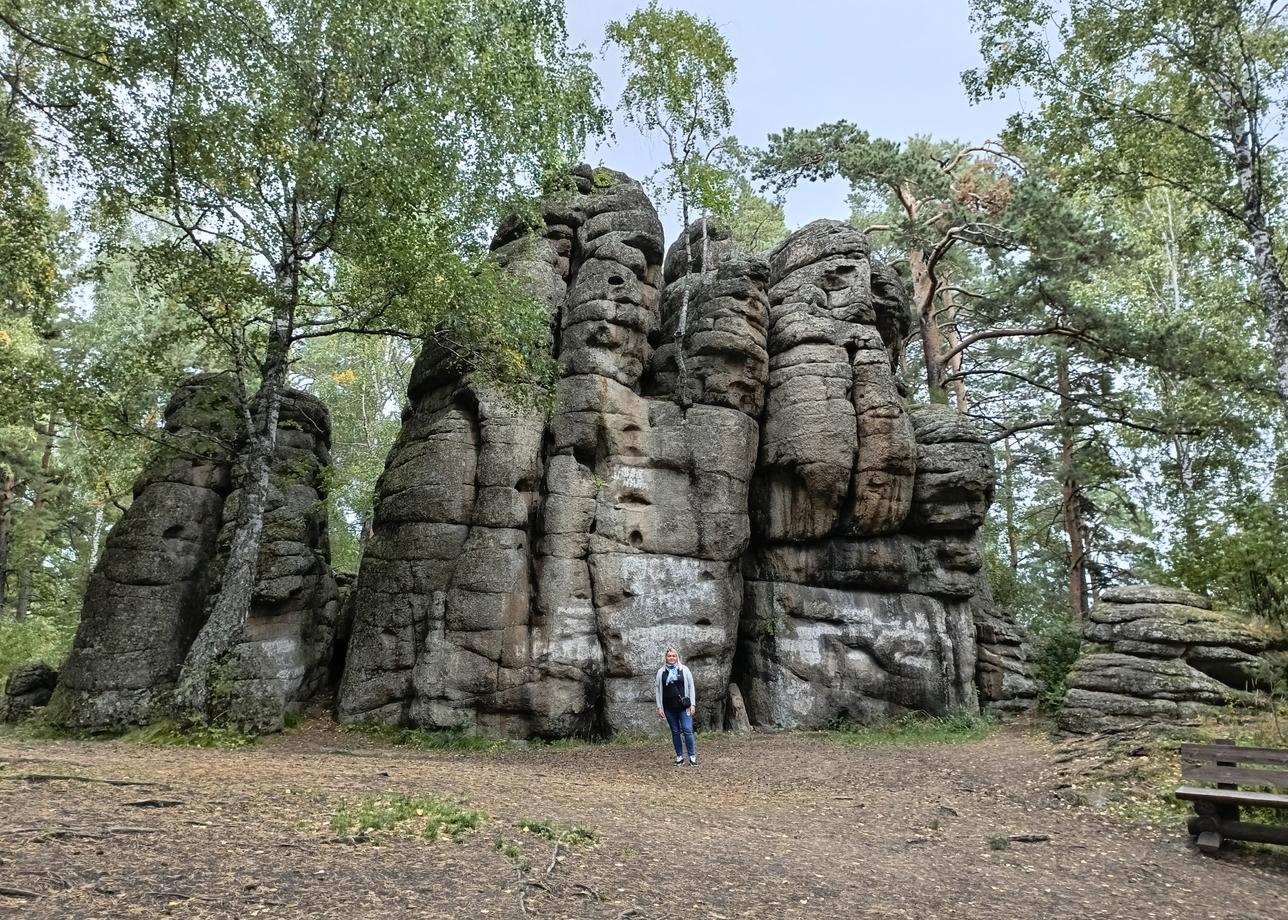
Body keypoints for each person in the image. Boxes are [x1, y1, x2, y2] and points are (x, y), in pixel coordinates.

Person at [655, 647, 697, 767]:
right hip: (669, 708)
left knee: (687, 730)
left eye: (674, 656)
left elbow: (691, 686)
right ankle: (679, 757)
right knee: (675, 732)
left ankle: (692, 756)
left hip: (684, 707)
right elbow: (658, 690)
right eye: (669, 656)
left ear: (677, 657)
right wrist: (659, 707)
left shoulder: (684, 670)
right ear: (666, 658)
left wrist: (693, 704)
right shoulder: (661, 672)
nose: (672, 658)